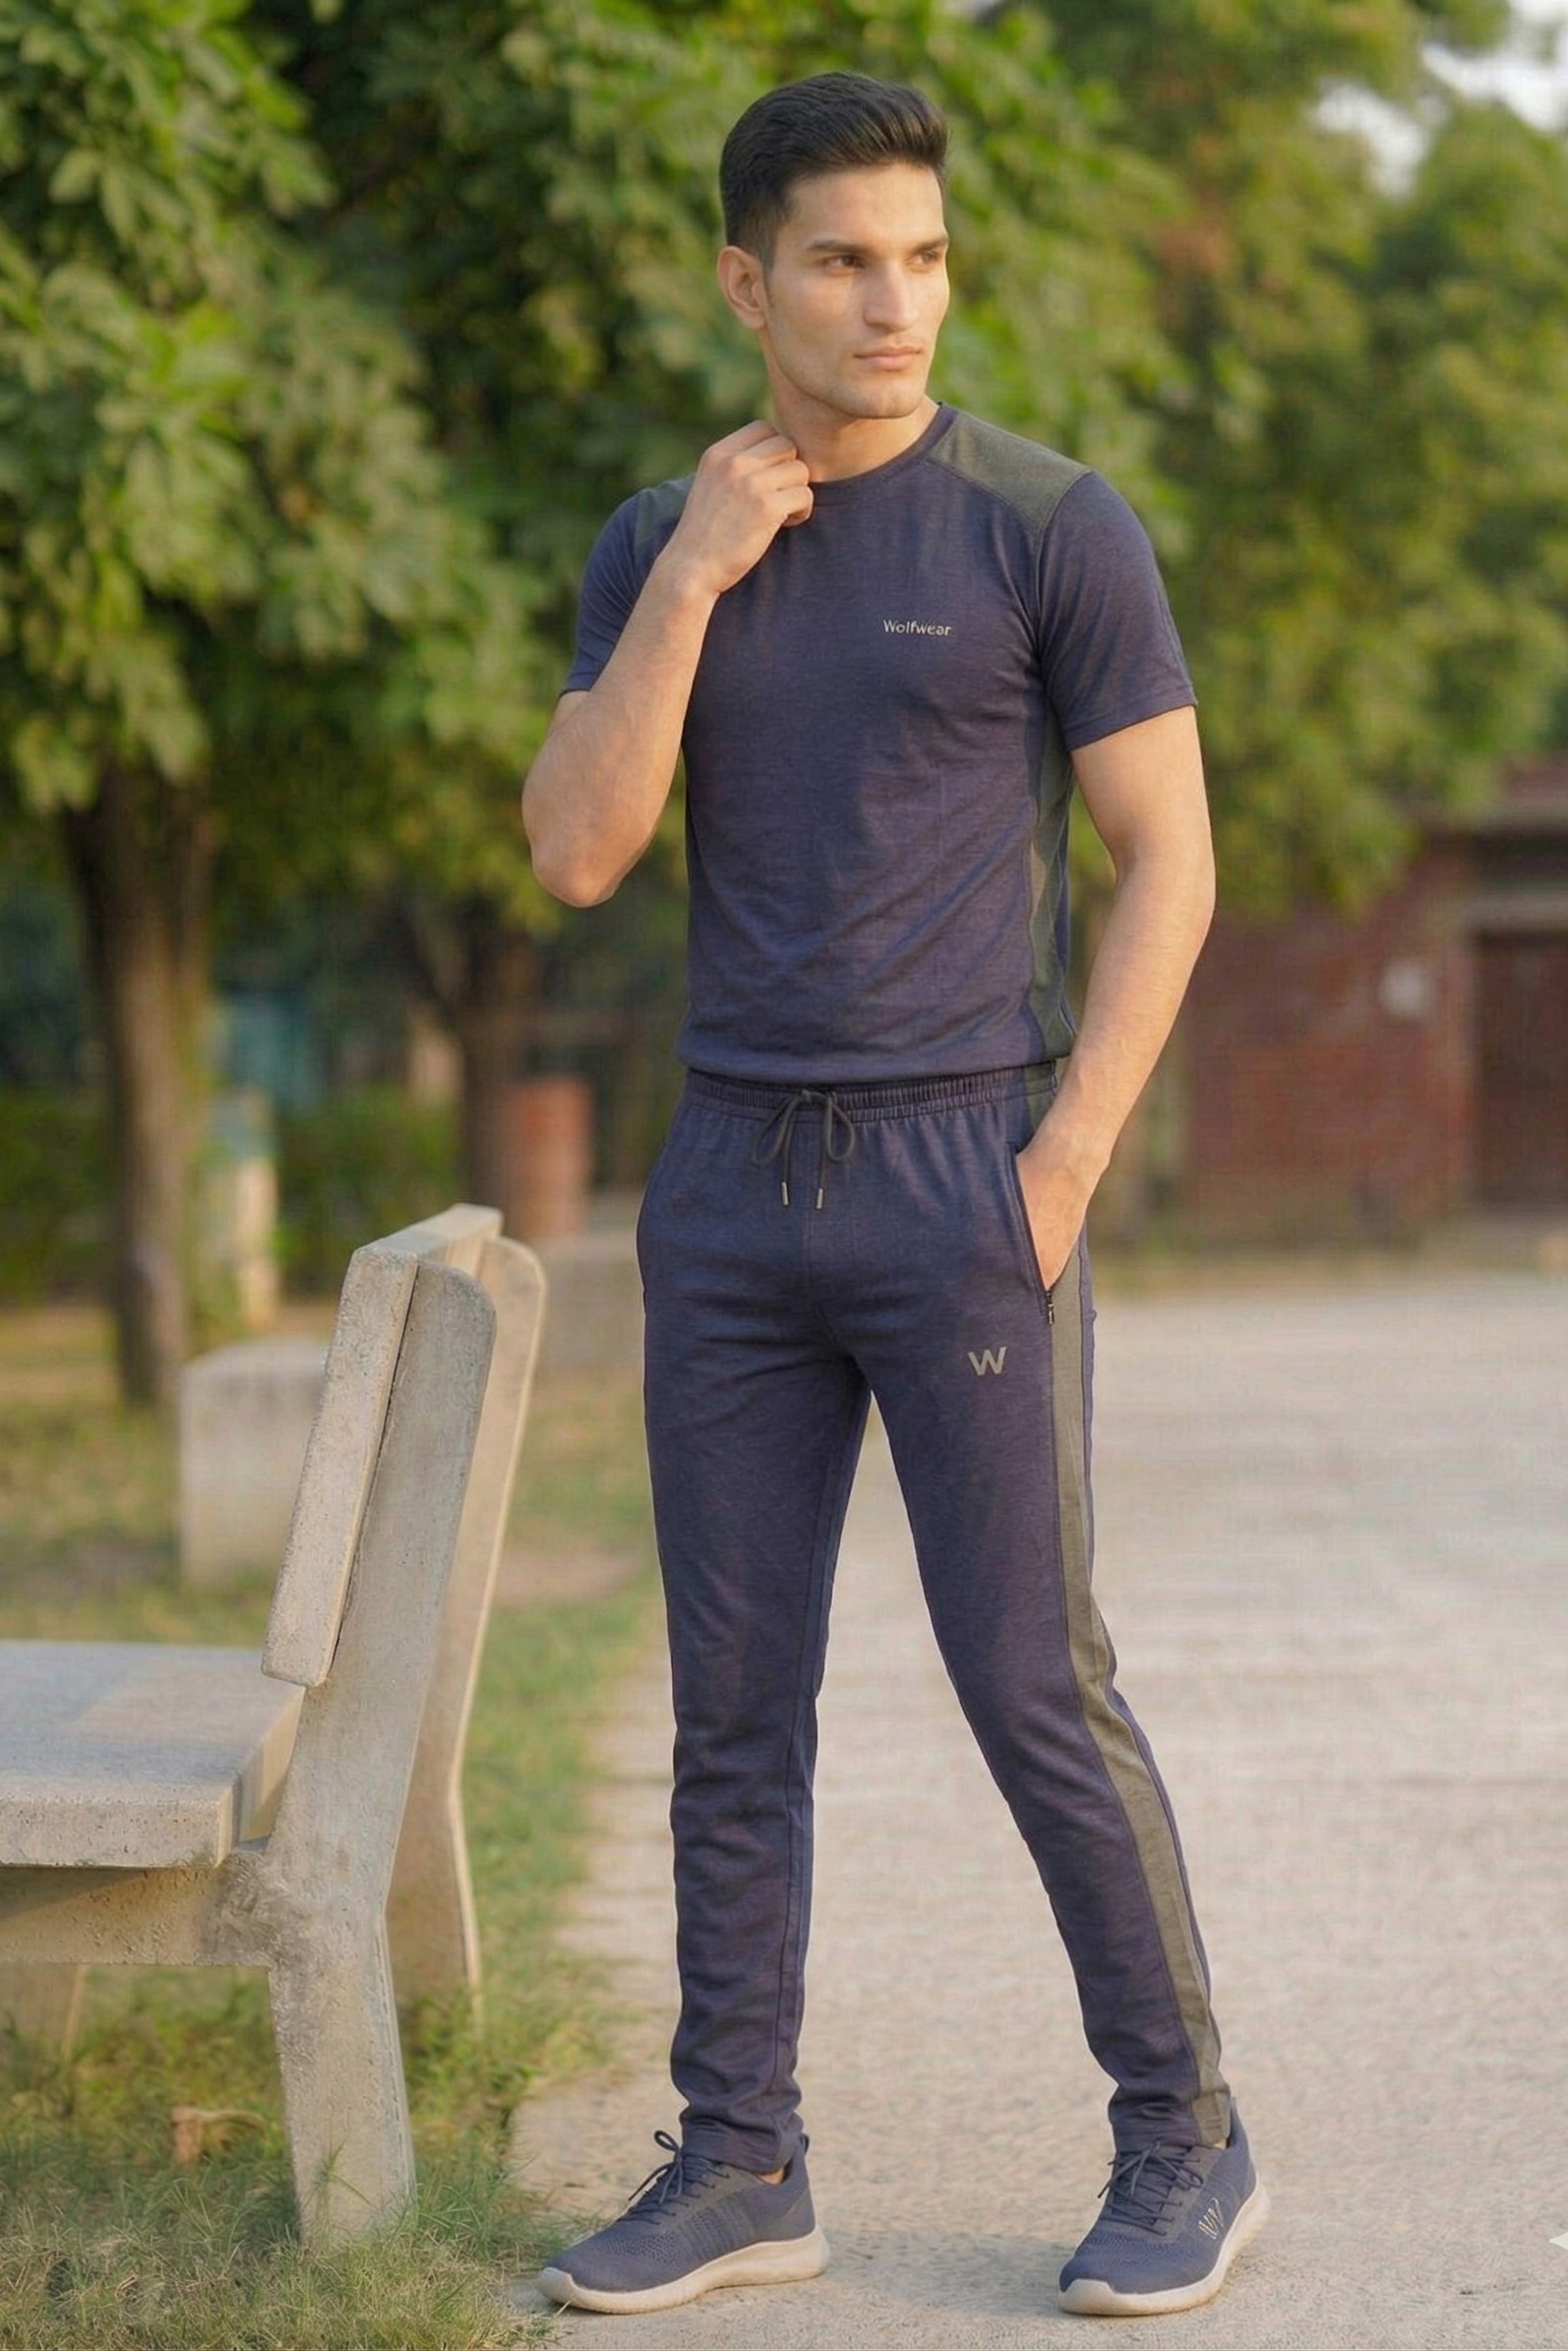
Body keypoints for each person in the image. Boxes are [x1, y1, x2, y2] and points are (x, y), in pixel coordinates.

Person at [521, 71, 1267, 2322]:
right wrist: (694, 575)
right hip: (729, 1185)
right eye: (842, 260)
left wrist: (1062, 1159)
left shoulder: (1049, 525)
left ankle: (1184, 2131)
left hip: (965, 1170)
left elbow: (1170, 861)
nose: (891, 303)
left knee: (1031, 1678)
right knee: (731, 1704)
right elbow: (573, 849)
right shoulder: (657, 537)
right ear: (743, 283)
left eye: (920, 258)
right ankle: (738, 2156)